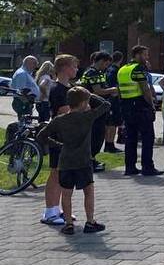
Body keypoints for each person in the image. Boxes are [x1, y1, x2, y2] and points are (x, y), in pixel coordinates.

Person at [37, 87, 110, 235]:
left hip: (65, 162)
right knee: (88, 191)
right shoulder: (87, 117)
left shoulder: (59, 120)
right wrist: (91, 94)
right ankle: (90, 222)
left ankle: (69, 224)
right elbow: (106, 104)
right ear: (83, 103)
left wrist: (57, 145)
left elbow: (41, 136)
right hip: (83, 161)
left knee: (66, 193)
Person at [38, 54, 79, 226]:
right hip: (58, 135)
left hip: (69, 135)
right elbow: (64, 111)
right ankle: (50, 211)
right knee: (55, 173)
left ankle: (58, 208)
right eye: (74, 66)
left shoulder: (70, 87)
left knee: (63, 172)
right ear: (64, 68)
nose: (76, 69)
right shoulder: (57, 89)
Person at [117, 46, 163, 176]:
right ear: (137, 55)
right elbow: (145, 89)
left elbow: (119, 89)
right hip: (140, 106)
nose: (147, 57)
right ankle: (147, 167)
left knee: (130, 138)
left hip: (126, 106)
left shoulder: (122, 69)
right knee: (148, 137)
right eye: (145, 55)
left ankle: (130, 167)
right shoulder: (138, 68)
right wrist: (152, 105)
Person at [79, 52, 118, 162]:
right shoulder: (93, 73)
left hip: (97, 106)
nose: (106, 67)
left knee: (98, 134)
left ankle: (92, 158)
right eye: (106, 64)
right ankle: (90, 158)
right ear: (101, 61)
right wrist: (113, 90)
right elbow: (98, 91)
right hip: (94, 107)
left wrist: (109, 92)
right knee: (96, 134)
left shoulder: (96, 72)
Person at [103, 51, 124, 152]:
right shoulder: (115, 70)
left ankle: (109, 144)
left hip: (110, 98)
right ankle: (110, 144)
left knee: (111, 123)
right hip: (113, 99)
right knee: (112, 123)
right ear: (121, 59)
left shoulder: (108, 69)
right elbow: (113, 84)